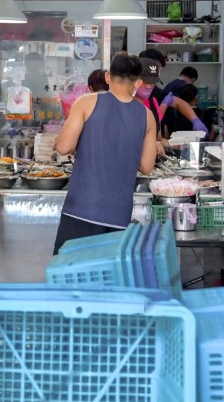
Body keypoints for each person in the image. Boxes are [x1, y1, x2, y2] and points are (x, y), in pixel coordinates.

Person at [52, 53, 157, 254]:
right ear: (138, 82)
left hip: (81, 209)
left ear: (108, 77)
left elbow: (64, 147)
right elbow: (147, 166)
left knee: (70, 276)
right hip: (119, 215)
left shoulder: (86, 102)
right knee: (106, 279)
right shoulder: (147, 116)